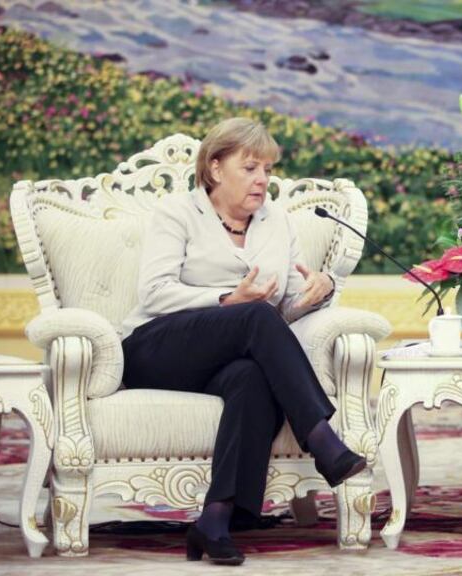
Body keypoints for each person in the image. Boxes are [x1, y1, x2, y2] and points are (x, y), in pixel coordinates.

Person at [119, 117, 366, 566]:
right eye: (250, 168)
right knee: (252, 313)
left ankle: (215, 519)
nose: (262, 180)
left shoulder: (278, 223)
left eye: (268, 170)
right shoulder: (176, 213)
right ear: (214, 168)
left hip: (226, 356)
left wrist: (321, 289)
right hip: (156, 346)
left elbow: (283, 309)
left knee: (252, 377)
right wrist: (228, 299)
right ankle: (320, 437)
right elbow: (153, 292)